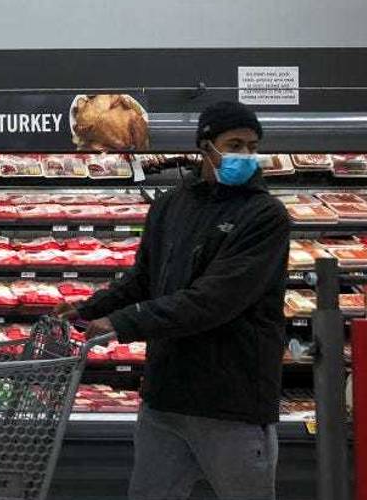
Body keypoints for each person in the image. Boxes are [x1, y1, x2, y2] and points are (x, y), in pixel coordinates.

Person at [56, 101, 290, 500]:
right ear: (205, 146)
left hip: (232, 404)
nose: (246, 156)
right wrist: (90, 309)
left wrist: (123, 323)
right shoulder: (171, 205)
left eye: (253, 146)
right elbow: (145, 279)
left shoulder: (265, 216)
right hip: (166, 400)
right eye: (235, 144)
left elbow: (214, 300)